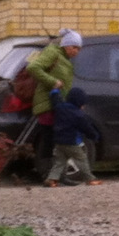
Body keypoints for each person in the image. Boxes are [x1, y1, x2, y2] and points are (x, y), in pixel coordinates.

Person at [24, 28, 81, 161]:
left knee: (56, 140)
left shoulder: (64, 58)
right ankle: (48, 175)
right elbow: (33, 67)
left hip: (57, 104)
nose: (77, 51)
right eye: (74, 47)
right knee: (49, 140)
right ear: (66, 44)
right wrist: (53, 81)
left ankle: (56, 175)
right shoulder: (53, 52)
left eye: (79, 49)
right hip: (47, 103)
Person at [45, 86, 103, 187]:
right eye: (83, 104)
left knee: (59, 162)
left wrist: (55, 90)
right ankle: (90, 179)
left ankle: (52, 179)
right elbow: (86, 128)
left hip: (58, 141)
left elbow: (55, 99)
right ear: (78, 102)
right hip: (71, 142)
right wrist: (95, 136)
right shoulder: (78, 115)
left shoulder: (60, 107)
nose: (83, 106)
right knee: (82, 159)